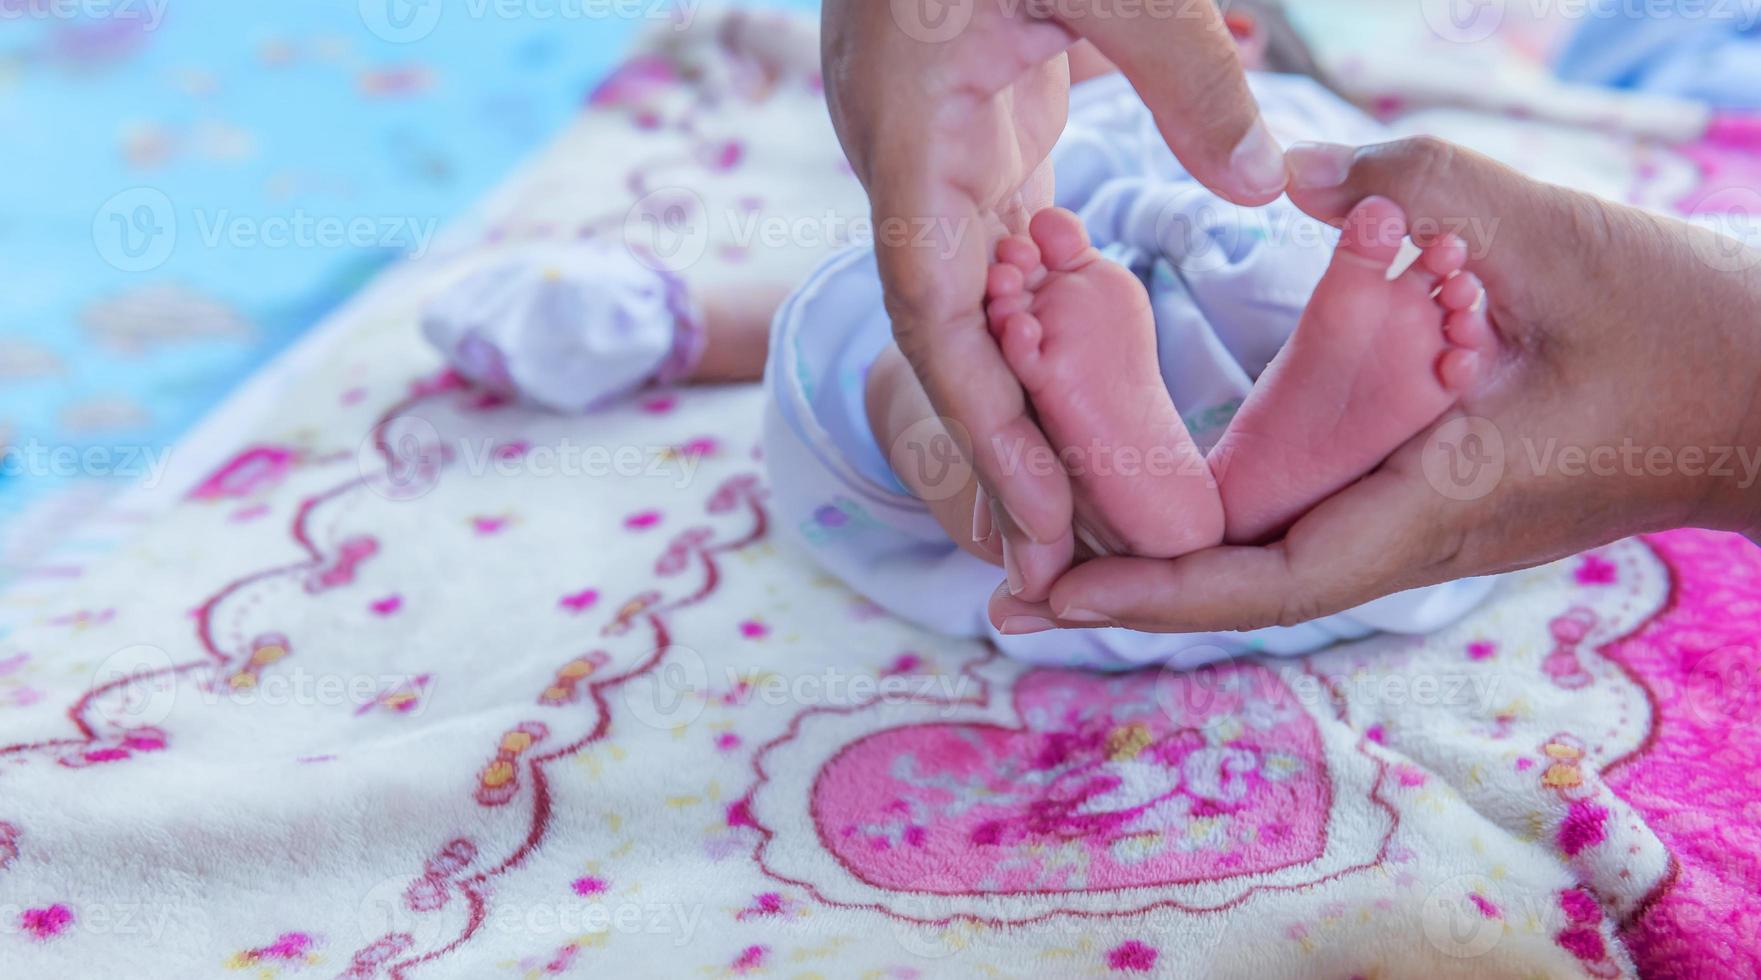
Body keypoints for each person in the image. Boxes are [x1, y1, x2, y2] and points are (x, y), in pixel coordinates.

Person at [821, 0, 1761, 638]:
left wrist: (689, 325)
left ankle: (1081, 504)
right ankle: (1260, 466)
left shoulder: (1272, 120)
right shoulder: (1322, 143)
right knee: (1415, 293)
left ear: (1228, 31)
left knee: (908, 379)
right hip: (1383, 529)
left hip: (1064, 319)